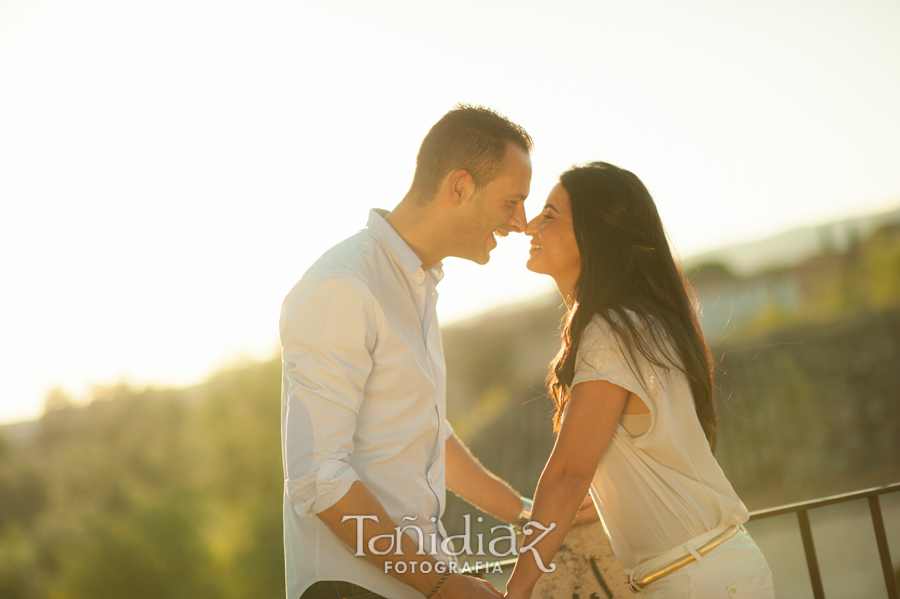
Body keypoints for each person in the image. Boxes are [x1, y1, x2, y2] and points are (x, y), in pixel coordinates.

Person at [281, 105, 593, 599]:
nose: (521, 222)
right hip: (353, 589)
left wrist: (527, 513)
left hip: (411, 584)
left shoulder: (417, 285)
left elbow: (427, 434)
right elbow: (318, 479)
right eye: (512, 201)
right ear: (460, 188)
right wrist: (445, 585)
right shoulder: (344, 285)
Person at [504, 162, 775, 598]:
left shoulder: (611, 330)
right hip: (710, 569)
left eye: (550, 215)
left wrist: (514, 593)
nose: (531, 224)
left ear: (595, 237)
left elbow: (567, 477)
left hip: (695, 578)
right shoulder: (636, 321)